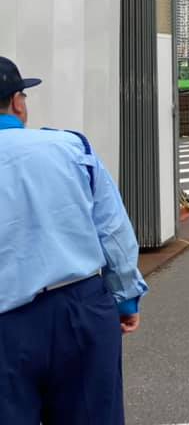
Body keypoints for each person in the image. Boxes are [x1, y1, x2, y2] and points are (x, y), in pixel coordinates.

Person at [0, 56, 148, 424]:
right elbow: (113, 230)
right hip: (79, 307)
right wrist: (126, 299)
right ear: (18, 101)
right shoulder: (70, 148)